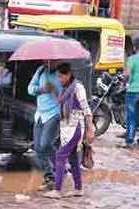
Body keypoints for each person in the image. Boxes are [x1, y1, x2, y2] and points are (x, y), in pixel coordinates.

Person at [43, 63, 94, 199]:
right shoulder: (66, 88)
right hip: (67, 127)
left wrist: (90, 129)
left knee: (60, 156)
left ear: (68, 74)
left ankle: (57, 190)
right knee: (72, 159)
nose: (59, 79)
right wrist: (53, 89)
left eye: (61, 76)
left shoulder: (78, 87)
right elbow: (61, 101)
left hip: (75, 127)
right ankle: (78, 188)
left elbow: (86, 109)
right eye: (58, 76)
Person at [28, 61, 62, 191]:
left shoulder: (62, 74)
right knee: (38, 147)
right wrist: (41, 89)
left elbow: (65, 97)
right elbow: (30, 89)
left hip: (54, 114)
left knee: (45, 145)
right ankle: (59, 166)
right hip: (40, 115)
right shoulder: (41, 70)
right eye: (46, 59)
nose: (48, 62)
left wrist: (54, 90)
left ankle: (50, 177)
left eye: (52, 60)